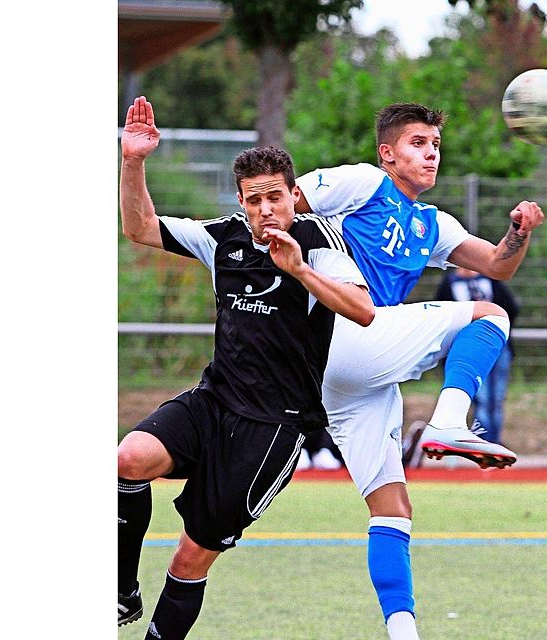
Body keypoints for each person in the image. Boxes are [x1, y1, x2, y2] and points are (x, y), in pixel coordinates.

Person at [116, 96, 374, 638]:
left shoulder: (318, 243)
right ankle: (121, 592)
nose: (265, 210)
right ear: (241, 201)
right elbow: (140, 229)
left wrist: (300, 270)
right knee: (128, 458)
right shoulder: (224, 238)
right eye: (254, 200)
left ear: (294, 197)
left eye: (275, 198)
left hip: (273, 427)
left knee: (190, 558)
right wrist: (134, 161)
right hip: (214, 402)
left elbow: (363, 310)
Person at [292, 102, 545, 639]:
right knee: (489, 315)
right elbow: (286, 202)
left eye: (435, 144)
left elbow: (498, 264)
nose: (430, 153)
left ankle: (403, 633)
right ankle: (449, 422)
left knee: (392, 508)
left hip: (352, 374)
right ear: (387, 153)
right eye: (416, 143)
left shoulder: (434, 223)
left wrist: (518, 231)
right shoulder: (363, 183)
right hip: (347, 330)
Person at [435, 266, 520, 446]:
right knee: (481, 398)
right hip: (468, 348)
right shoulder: (449, 284)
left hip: (498, 346)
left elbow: (511, 307)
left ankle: (495, 441)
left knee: (496, 398)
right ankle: (483, 441)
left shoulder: (490, 279)